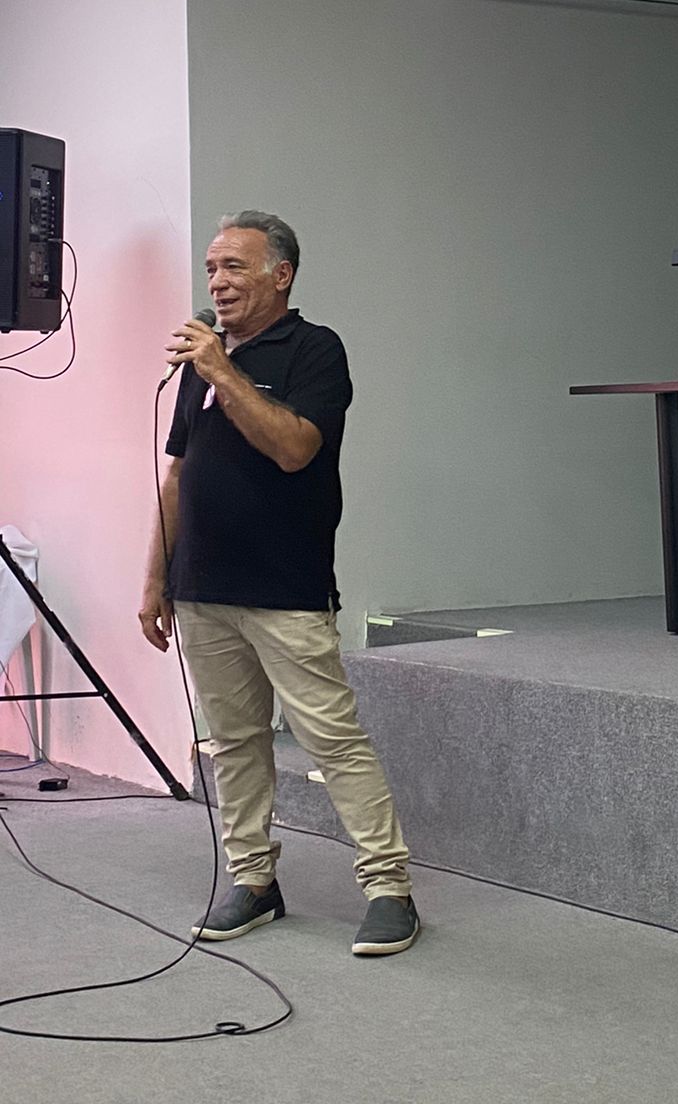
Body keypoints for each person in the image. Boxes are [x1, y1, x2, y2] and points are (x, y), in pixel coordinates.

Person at [139, 210, 418, 956]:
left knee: (333, 740)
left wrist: (223, 373)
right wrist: (154, 578)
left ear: (281, 274)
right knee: (232, 744)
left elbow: (295, 449)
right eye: (211, 269)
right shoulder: (204, 361)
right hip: (202, 587)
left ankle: (389, 889)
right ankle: (254, 880)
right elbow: (178, 476)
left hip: (285, 587)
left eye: (234, 266)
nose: (217, 282)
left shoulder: (314, 350)